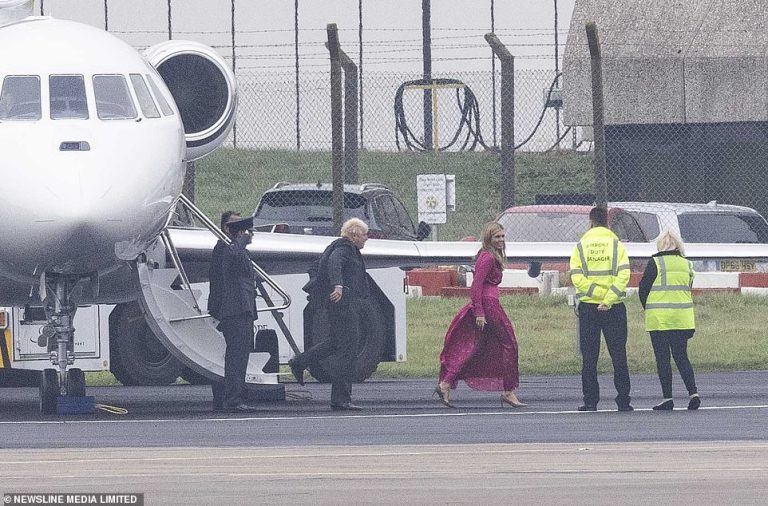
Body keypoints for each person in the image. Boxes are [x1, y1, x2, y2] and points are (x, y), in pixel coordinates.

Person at [434, 222, 526, 409]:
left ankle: (446, 383)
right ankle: (508, 391)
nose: (501, 240)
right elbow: (476, 286)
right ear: (489, 239)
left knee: (475, 347)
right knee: (509, 344)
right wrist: (479, 312)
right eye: (497, 237)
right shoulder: (488, 258)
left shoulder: (489, 256)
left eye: (502, 236)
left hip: (488, 304)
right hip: (489, 305)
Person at [288, 218, 371, 411]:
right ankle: (340, 398)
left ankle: (300, 362)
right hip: (343, 305)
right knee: (348, 350)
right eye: (365, 234)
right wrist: (339, 285)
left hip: (340, 305)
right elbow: (335, 263)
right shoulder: (344, 249)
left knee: (335, 342)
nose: (367, 238)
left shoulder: (343, 247)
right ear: (354, 234)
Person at [569, 206, 633, 412]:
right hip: (613, 307)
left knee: (589, 356)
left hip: (589, 307)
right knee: (618, 355)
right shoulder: (616, 244)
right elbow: (624, 275)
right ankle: (623, 400)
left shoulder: (581, 245)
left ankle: (590, 401)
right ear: (607, 222)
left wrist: (596, 295)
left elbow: (577, 277)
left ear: (590, 222)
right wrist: (608, 298)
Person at [639, 230, 700, 411]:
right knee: (681, 357)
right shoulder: (687, 264)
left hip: (659, 319)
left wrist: (649, 308)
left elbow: (643, 289)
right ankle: (693, 393)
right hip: (682, 318)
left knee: (663, 358)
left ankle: (668, 398)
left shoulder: (655, 262)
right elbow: (688, 288)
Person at [207, 212, 258, 413]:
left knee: (238, 354)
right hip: (234, 309)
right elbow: (232, 257)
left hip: (240, 308)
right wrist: (242, 241)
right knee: (236, 355)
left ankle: (232, 395)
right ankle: (232, 399)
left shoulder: (232, 249)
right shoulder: (225, 248)